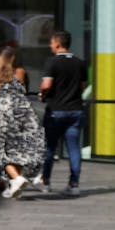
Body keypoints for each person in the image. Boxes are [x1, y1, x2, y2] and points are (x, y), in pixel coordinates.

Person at [0, 47, 44, 199]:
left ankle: (16, 178)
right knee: (18, 150)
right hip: (24, 114)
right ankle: (13, 185)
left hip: (5, 114)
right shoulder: (20, 71)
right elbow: (19, 91)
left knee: (3, 152)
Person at [37, 29, 86, 196]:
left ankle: (45, 181)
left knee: (50, 148)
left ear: (58, 43)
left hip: (56, 111)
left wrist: (42, 95)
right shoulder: (80, 62)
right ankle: (74, 184)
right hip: (76, 111)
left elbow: (46, 85)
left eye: (51, 42)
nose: (50, 45)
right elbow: (83, 87)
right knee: (73, 148)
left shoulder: (52, 62)